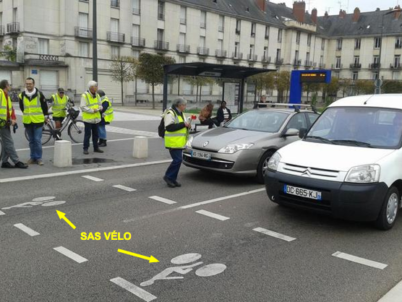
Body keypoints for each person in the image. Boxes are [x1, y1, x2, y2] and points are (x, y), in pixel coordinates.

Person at [19, 77, 48, 166]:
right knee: (31, 141)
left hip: (38, 121)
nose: (28, 85)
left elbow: (44, 107)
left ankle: (39, 158)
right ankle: (32, 157)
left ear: (33, 84)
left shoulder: (39, 94)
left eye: (30, 84)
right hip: (28, 121)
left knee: (37, 140)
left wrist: (46, 116)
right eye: (27, 84)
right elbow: (22, 107)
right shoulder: (22, 95)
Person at [163, 98, 191, 188]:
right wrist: (184, 124)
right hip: (172, 142)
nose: (185, 107)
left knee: (178, 161)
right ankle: (168, 176)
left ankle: (172, 179)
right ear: (179, 105)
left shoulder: (181, 113)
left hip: (179, 142)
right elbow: (169, 127)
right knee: (177, 160)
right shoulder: (170, 113)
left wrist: (188, 126)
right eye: (184, 105)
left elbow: (184, 125)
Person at [0, 80, 27, 169]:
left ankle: (4, 161)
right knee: (9, 142)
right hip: (1, 122)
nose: (10, 86)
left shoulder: (6, 95)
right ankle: (16, 161)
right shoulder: (0, 94)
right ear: (6, 85)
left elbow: (11, 109)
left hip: (5, 122)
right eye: (9, 85)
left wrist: (13, 119)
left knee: (5, 142)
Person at [80, 81, 104, 155]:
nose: (96, 88)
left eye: (96, 86)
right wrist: (92, 111)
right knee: (88, 134)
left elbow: (100, 104)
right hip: (88, 119)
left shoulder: (97, 95)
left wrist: (100, 108)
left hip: (96, 118)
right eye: (95, 86)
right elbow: (83, 107)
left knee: (96, 134)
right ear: (91, 87)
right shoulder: (85, 95)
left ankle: (96, 148)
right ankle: (85, 148)